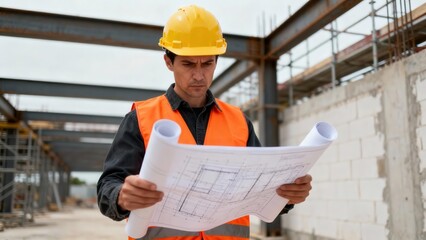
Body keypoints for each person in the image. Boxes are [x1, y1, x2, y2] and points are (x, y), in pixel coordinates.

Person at [97, 4, 312, 240]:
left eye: (207, 63)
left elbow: (261, 193)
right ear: (169, 62)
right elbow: (108, 185)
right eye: (188, 64)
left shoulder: (239, 122)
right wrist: (121, 196)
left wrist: (287, 196)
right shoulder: (141, 118)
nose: (199, 75)